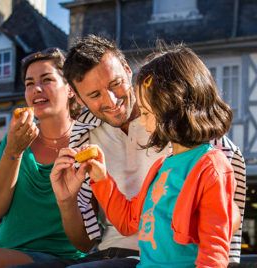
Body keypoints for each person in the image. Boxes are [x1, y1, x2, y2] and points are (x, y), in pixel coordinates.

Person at [17, 35, 246, 268]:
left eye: (115, 83)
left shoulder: (188, 131)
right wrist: (70, 198)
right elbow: (107, 230)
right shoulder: (84, 138)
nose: (112, 100)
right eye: (95, 95)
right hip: (110, 256)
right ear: (77, 96)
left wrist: (184, 222)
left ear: (127, 70)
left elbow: (224, 219)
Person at [81, 43, 237, 267]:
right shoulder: (162, 166)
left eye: (145, 113)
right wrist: (101, 178)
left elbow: (214, 249)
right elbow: (127, 222)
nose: (141, 121)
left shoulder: (210, 166)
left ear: (172, 107)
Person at [0, 48, 84, 268]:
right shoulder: (16, 140)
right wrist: (13, 150)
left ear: (70, 89)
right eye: (29, 83)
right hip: (5, 250)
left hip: (63, 255)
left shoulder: (88, 141)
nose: (36, 89)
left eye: (46, 79)